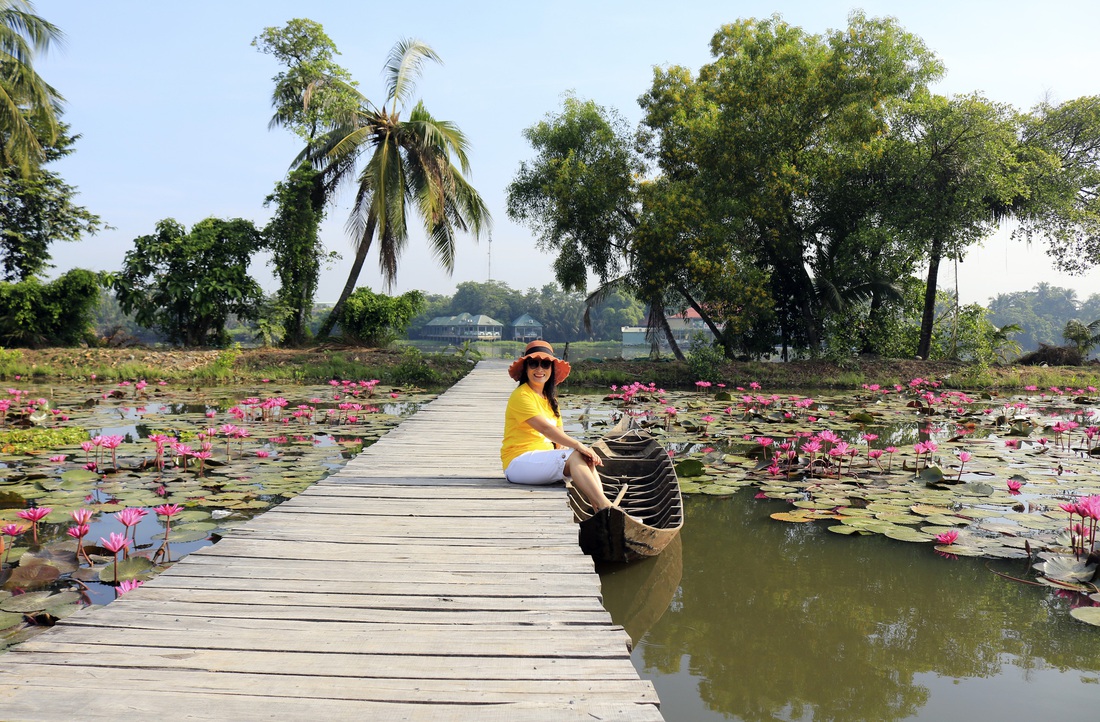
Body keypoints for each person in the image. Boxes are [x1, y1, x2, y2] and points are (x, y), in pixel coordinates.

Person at [501, 340, 615, 511]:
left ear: (551, 369)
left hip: (540, 460)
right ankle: (606, 507)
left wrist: (581, 453)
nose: (540, 370)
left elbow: (558, 441)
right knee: (577, 453)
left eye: (545, 364)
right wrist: (579, 446)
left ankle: (601, 508)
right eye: (534, 364)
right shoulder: (521, 396)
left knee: (582, 456)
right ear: (526, 368)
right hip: (518, 463)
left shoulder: (550, 401)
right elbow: (547, 430)